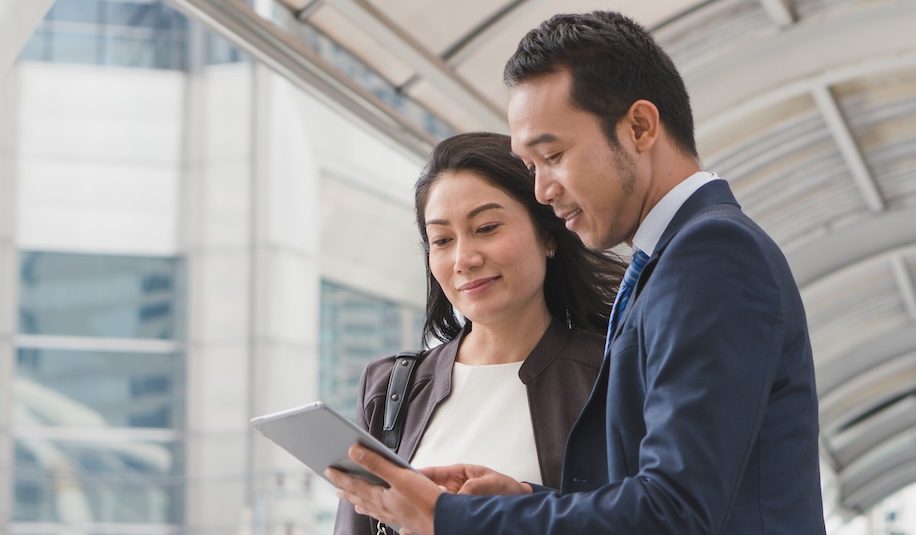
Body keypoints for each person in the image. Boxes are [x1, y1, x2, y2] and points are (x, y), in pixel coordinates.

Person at [327, 10, 827, 535]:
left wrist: (451, 516)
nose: (543, 190)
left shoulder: (712, 254)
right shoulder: (674, 260)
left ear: (639, 127)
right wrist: (524, 498)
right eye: (532, 167)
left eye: (554, 155)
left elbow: (675, 511)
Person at [332, 131, 625, 535]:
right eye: (442, 240)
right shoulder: (392, 388)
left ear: (549, 235)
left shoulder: (610, 374)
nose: (464, 259)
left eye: (486, 228)